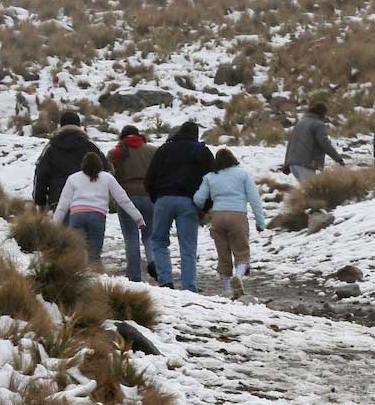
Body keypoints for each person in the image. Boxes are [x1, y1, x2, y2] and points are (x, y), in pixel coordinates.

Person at [143, 121, 213, 291]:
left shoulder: (164, 149)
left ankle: (166, 281)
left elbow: (149, 179)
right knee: (188, 246)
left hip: (164, 200)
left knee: (159, 241)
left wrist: (156, 197)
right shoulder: (202, 152)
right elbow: (211, 182)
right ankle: (189, 286)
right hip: (188, 202)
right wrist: (205, 207)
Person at [194, 148, 267, 298]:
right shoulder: (243, 174)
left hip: (217, 216)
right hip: (237, 215)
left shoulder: (210, 177)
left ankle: (226, 290)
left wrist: (204, 210)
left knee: (223, 254)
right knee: (241, 252)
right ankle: (238, 277)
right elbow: (254, 199)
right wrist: (260, 222)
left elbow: (198, 199)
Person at [52, 152, 144, 266]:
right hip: (97, 216)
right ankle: (94, 278)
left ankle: (78, 278)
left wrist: (53, 228)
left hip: (77, 216)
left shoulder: (73, 178)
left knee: (76, 252)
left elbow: (62, 206)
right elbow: (123, 199)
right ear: (100, 164)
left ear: (83, 164)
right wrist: (138, 218)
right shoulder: (107, 178)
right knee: (94, 255)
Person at [33, 112, 109, 216]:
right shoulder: (89, 145)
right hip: (87, 202)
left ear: (60, 126)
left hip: (58, 201)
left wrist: (40, 201)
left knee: (63, 232)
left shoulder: (51, 147)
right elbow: (106, 170)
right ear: (79, 126)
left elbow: (41, 174)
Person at [109, 125, 157, 283]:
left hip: (127, 197)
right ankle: (153, 262)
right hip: (149, 196)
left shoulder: (118, 151)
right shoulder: (151, 150)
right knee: (149, 236)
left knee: (131, 238)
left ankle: (134, 277)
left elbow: (109, 172)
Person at [283, 103, 344, 182]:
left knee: (306, 191)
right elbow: (324, 143)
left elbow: (291, 143)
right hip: (305, 164)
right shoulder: (318, 124)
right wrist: (338, 159)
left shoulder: (300, 123)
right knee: (311, 192)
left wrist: (287, 163)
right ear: (322, 113)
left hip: (293, 164)